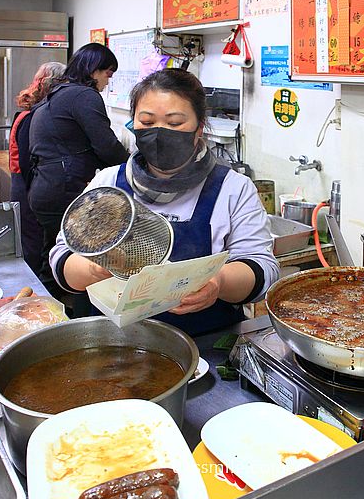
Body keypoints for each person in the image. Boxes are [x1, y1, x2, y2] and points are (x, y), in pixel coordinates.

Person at [49, 68, 279, 336]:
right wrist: (92, 269)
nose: (159, 133)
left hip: (203, 348)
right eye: (147, 122)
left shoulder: (233, 188)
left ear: (198, 128)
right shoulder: (109, 182)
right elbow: (62, 257)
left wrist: (218, 282)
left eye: (174, 123)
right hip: (110, 344)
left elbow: (263, 268)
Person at [28, 43, 130, 310]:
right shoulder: (84, 95)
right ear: (93, 69)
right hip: (65, 187)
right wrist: (134, 167)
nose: (108, 81)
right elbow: (106, 146)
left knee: (50, 258)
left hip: (45, 186)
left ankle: (41, 315)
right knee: (78, 260)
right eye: (108, 73)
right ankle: (58, 321)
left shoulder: (57, 94)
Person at [8, 61, 66, 275]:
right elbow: (26, 160)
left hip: (22, 181)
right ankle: (35, 290)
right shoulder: (33, 116)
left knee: (32, 238)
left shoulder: (32, 113)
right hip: (24, 184)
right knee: (32, 241)